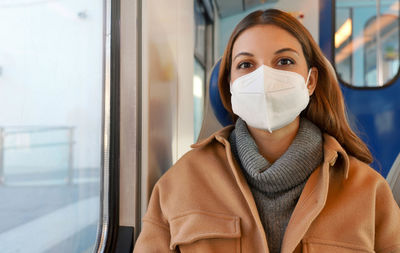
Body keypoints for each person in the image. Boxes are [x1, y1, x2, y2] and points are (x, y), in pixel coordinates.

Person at [134, 9, 400, 253]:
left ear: (310, 81)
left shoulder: (368, 190)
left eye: (284, 61)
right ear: (230, 84)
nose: (264, 79)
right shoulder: (180, 183)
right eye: (246, 65)